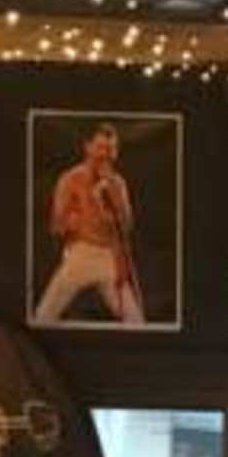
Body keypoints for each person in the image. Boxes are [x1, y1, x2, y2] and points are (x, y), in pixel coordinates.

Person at [34, 121, 147, 325]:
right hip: (81, 252)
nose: (106, 154)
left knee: (135, 321)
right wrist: (73, 219)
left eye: (112, 149)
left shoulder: (118, 183)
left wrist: (113, 195)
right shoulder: (70, 179)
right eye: (101, 147)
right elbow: (55, 225)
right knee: (44, 315)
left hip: (109, 256)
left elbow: (127, 226)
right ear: (88, 147)